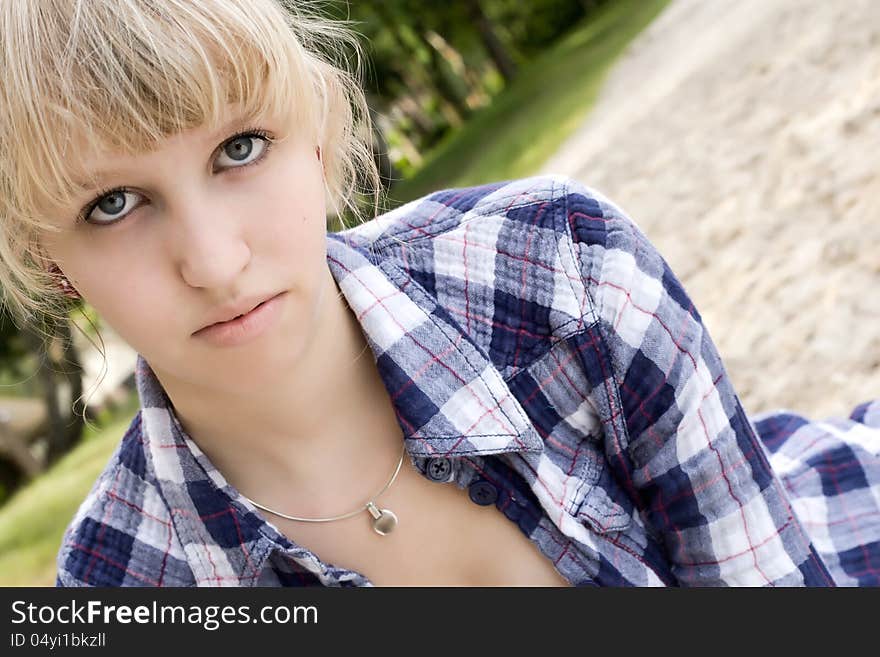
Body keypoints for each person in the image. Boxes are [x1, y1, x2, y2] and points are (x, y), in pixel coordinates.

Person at [0, 0, 877, 587]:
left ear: (317, 133)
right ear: (49, 262)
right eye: (112, 204)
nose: (215, 261)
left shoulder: (558, 268)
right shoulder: (126, 581)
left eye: (240, 148)